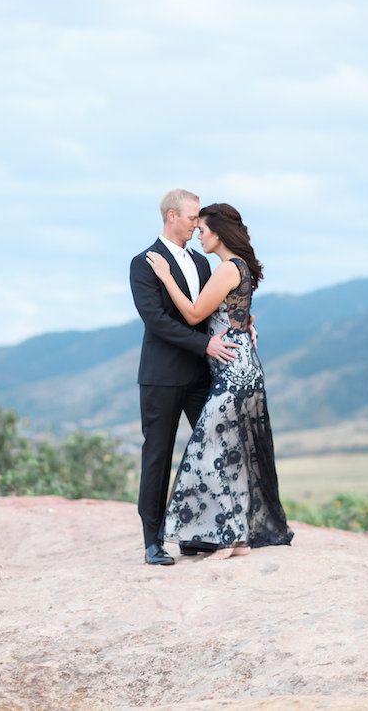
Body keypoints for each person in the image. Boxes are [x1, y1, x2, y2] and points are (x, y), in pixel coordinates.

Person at [145, 202, 294, 559]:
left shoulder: (227, 268)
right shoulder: (234, 268)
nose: (199, 233)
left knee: (209, 450)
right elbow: (234, 313)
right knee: (229, 451)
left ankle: (228, 536)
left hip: (233, 371)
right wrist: (247, 326)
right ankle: (236, 536)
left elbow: (196, 312)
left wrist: (166, 277)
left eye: (204, 229)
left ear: (219, 233)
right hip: (237, 366)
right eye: (195, 225)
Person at [130, 189, 241, 566]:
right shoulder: (143, 263)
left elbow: (210, 311)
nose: (198, 225)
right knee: (157, 457)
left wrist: (243, 324)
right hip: (161, 376)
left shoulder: (201, 261)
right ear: (172, 216)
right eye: (194, 217)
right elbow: (157, 322)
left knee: (207, 453)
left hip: (199, 375)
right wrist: (204, 345)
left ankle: (198, 535)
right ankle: (152, 541)